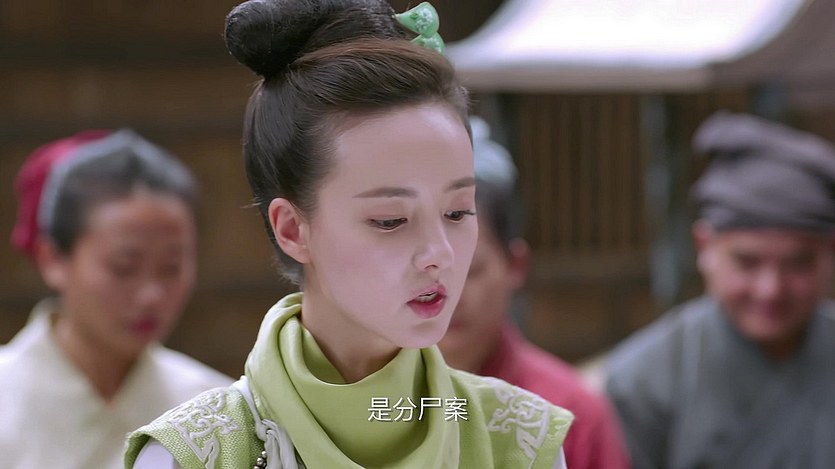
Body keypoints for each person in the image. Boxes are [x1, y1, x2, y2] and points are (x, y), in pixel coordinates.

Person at [124, 1, 574, 468]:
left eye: (458, 212)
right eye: (390, 220)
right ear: (292, 229)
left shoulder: (519, 443)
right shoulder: (195, 456)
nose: (439, 253)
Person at [605, 111, 835, 469]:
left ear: (830, 252)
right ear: (704, 246)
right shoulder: (643, 381)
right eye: (747, 262)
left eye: (798, 264)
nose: (770, 290)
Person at [0, 129, 232, 468]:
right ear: (53, 259)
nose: (151, 295)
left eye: (171, 267)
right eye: (124, 268)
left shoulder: (217, 413)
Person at [439, 117, 632, 469]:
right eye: (430, 271)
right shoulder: (364, 395)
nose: (447, 295)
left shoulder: (569, 410)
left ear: (515, 265)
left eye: (471, 272)